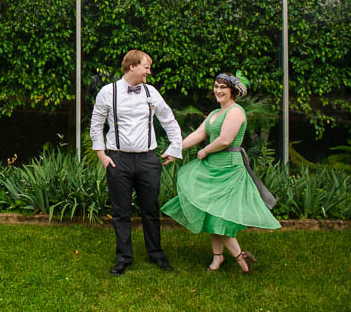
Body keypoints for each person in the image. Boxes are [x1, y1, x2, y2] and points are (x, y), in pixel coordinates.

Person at [161, 72, 280, 273]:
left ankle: (242, 259)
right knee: (211, 213)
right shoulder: (215, 113)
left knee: (220, 217)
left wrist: (205, 150)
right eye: (216, 86)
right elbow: (200, 133)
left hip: (228, 168)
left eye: (222, 87)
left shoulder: (236, 111)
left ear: (232, 91)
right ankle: (218, 258)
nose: (218, 90)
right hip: (212, 167)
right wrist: (175, 150)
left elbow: (225, 140)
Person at [89, 49, 183, 275]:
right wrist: (101, 154)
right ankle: (123, 258)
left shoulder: (151, 92)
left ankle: (156, 254)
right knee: (121, 211)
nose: (149, 72)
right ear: (132, 66)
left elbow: (168, 119)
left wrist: (174, 148)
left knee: (150, 209)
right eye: (146, 67)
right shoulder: (107, 92)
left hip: (148, 159)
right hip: (117, 159)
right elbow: (96, 124)